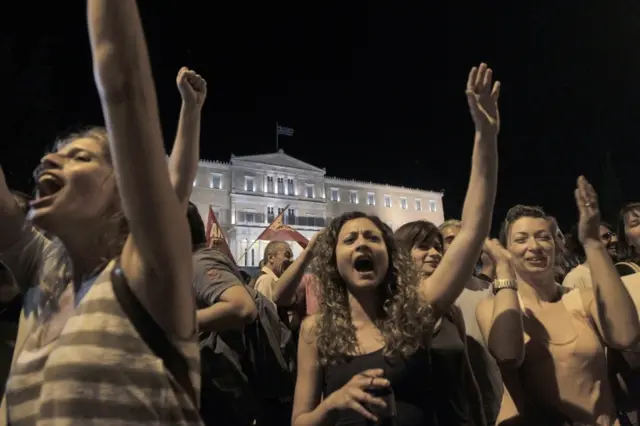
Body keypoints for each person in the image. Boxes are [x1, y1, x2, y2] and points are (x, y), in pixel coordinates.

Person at [0, 1, 206, 422]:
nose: (48, 164)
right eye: (50, 158)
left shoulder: (148, 279)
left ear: (124, 190)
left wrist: (190, 110)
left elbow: (123, 83)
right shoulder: (43, 275)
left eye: (79, 158)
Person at [291, 62, 500, 426]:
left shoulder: (416, 314)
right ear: (334, 260)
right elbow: (300, 421)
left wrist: (485, 135)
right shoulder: (315, 331)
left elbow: (471, 232)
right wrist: (332, 404)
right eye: (350, 239)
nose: (362, 244)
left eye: (373, 237)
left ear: (390, 256)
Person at [477, 178, 640, 426]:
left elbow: (625, 335)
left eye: (544, 237)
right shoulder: (496, 307)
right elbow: (508, 355)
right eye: (521, 239)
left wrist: (593, 243)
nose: (535, 246)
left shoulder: (580, 298)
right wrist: (503, 268)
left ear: (556, 245)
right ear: (507, 249)